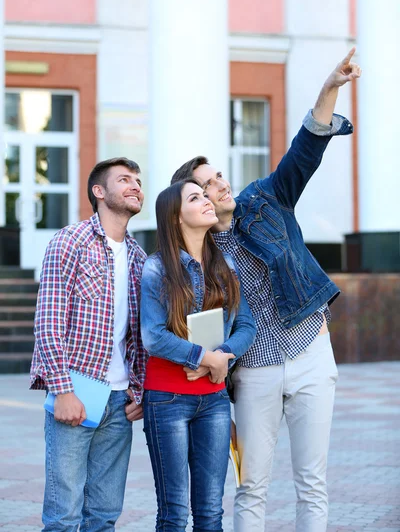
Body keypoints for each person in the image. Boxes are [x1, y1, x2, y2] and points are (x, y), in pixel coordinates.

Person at [171, 50, 362, 532]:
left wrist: (329, 90)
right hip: (252, 372)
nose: (221, 185)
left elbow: (306, 149)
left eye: (219, 177)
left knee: (311, 482)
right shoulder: (198, 254)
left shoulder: (267, 199)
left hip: (307, 351)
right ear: (192, 201)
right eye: (207, 186)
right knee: (252, 486)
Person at [30, 157, 147, 532]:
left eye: (138, 181)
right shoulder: (71, 241)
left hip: (119, 401)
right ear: (99, 191)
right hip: (77, 390)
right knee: (63, 515)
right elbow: (48, 322)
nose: (135, 186)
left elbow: (140, 335)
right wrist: (62, 390)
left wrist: (138, 391)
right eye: (124, 180)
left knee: (104, 516)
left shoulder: (139, 257)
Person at [140, 178, 257, 531]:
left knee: (210, 513)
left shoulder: (226, 266)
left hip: (214, 402)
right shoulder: (157, 268)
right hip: (166, 401)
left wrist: (222, 355)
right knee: (174, 514)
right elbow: (153, 336)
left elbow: (247, 327)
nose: (207, 201)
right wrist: (206, 359)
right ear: (176, 216)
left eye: (205, 196)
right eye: (196, 197)